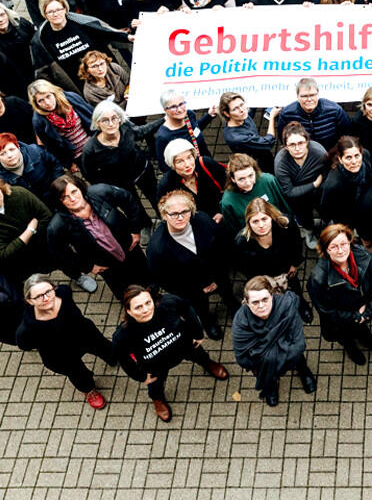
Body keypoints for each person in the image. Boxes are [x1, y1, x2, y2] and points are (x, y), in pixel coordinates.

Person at [112, 285, 229, 423]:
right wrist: (141, 376)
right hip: (155, 365)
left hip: (184, 345)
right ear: (129, 311)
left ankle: (208, 364)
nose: (146, 309)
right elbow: (124, 359)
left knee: (200, 355)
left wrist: (197, 333)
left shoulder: (167, 303)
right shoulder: (123, 335)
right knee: (155, 384)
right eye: (138, 307)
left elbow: (187, 308)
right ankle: (157, 399)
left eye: (148, 303)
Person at [146, 190, 238, 339]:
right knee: (201, 307)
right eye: (174, 214)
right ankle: (208, 322)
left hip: (218, 274)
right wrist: (197, 289)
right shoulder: (157, 248)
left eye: (185, 211)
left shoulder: (202, 220)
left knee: (228, 293)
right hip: (192, 289)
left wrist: (218, 276)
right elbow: (165, 280)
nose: (180, 217)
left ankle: (234, 307)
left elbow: (222, 246)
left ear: (191, 210)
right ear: (164, 215)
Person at [16, 274, 116, 410]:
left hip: (84, 334)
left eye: (48, 291)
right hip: (60, 354)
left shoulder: (64, 292)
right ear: (29, 301)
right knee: (78, 374)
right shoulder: (28, 327)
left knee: (103, 346)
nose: (46, 298)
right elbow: (24, 344)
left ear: (54, 288)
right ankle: (89, 390)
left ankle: (114, 357)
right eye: (39, 296)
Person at [47, 173, 151, 300]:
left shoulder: (100, 192)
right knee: (123, 290)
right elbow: (60, 254)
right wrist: (88, 266)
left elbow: (128, 200)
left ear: (80, 188)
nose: (72, 199)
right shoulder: (57, 226)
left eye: (74, 192)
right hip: (107, 265)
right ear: (59, 201)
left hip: (130, 247)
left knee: (146, 275)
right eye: (65, 197)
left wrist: (135, 230)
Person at [232, 275, 316, 407]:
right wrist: (282, 347)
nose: (261, 306)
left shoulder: (286, 305)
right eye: (255, 302)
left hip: (275, 360)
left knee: (297, 358)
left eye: (265, 299)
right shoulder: (241, 321)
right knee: (267, 370)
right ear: (246, 303)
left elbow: (299, 345)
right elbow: (242, 358)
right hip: (265, 366)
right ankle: (271, 386)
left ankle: (303, 372)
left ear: (272, 295)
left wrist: (267, 354)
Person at [307, 223, 372, 365]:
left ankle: (364, 335)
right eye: (334, 247)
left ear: (350, 242)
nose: (340, 251)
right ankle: (351, 348)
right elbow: (326, 310)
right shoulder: (318, 278)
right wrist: (355, 316)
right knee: (346, 336)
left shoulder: (364, 257)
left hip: (362, 308)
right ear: (325, 250)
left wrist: (370, 306)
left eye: (344, 244)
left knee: (362, 328)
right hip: (341, 321)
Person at [0, 175, 58, 287]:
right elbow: (4, 253)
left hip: (43, 244)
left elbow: (46, 216)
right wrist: (30, 230)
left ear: (0, 187)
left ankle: (78, 275)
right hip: (20, 261)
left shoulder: (19, 194)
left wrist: (20, 242)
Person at [81, 100, 161, 209]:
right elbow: (91, 176)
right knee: (134, 207)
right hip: (123, 185)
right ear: (97, 123)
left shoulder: (125, 126)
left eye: (114, 118)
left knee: (157, 199)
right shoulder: (90, 150)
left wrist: (164, 119)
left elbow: (140, 132)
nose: (111, 124)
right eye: (105, 120)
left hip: (143, 172)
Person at [272, 77, 352, 152]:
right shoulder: (286, 114)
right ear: (297, 97)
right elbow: (284, 140)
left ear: (318, 94)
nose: (309, 99)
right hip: (301, 156)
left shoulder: (335, 110)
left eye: (312, 95)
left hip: (331, 154)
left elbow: (347, 135)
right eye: (304, 96)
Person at [29, 80, 96, 168]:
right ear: (36, 104)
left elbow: (93, 115)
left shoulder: (71, 98)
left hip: (95, 142)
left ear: (53, 93)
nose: (47, 103)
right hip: (79, 156)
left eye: (48, 96)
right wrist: (69, 164)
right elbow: (52, 147)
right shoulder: (39, 121)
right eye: (41, 100)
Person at [0, 131, 64, 205]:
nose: (9, 155)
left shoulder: (36, 152)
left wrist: (58, 186)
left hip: (54, 193)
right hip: (33, 207)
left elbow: (55, 164)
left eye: (12, 149)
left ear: (18, 147)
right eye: (3, 154)